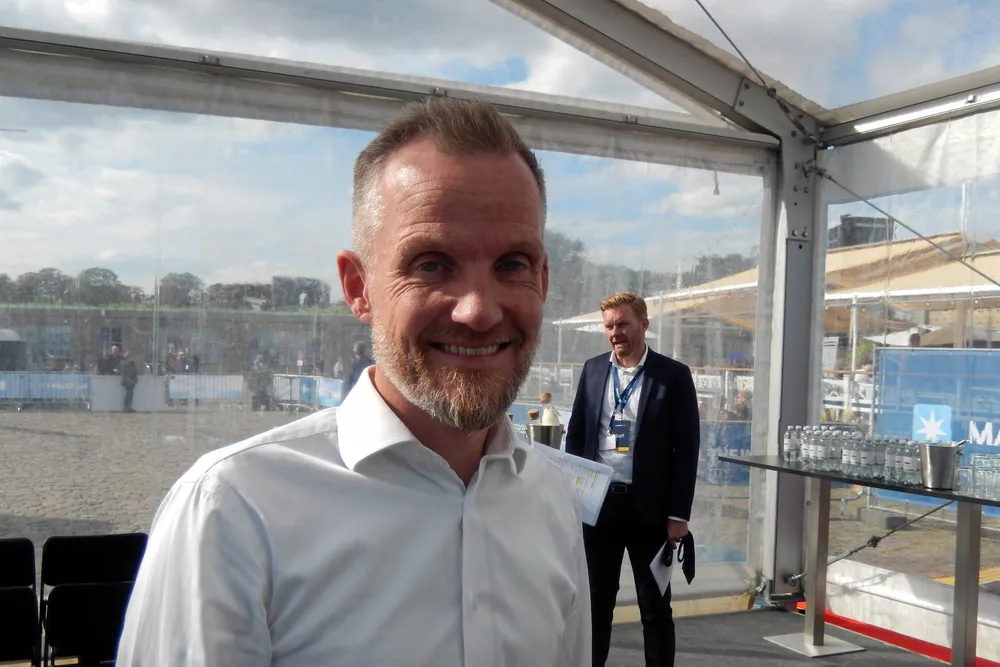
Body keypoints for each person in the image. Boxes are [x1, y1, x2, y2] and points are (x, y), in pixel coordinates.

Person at [116, 98, 590, 667]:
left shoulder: (551, 500)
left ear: (542, 280)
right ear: (358, 287)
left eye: (511, 264)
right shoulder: (233, 510)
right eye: (431, 264)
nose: (478, 311)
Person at [565, 291, 700, 667]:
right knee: (595, 604)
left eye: (622, 324)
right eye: (609, 326)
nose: (615, 332)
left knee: (655, 608)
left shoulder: (673, 376)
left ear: (644, 324)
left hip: (650, 511)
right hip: (599, 507)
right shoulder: (593, 369)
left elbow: (687, 450)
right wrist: (574, 498)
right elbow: (576, 435)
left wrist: (678, 515)